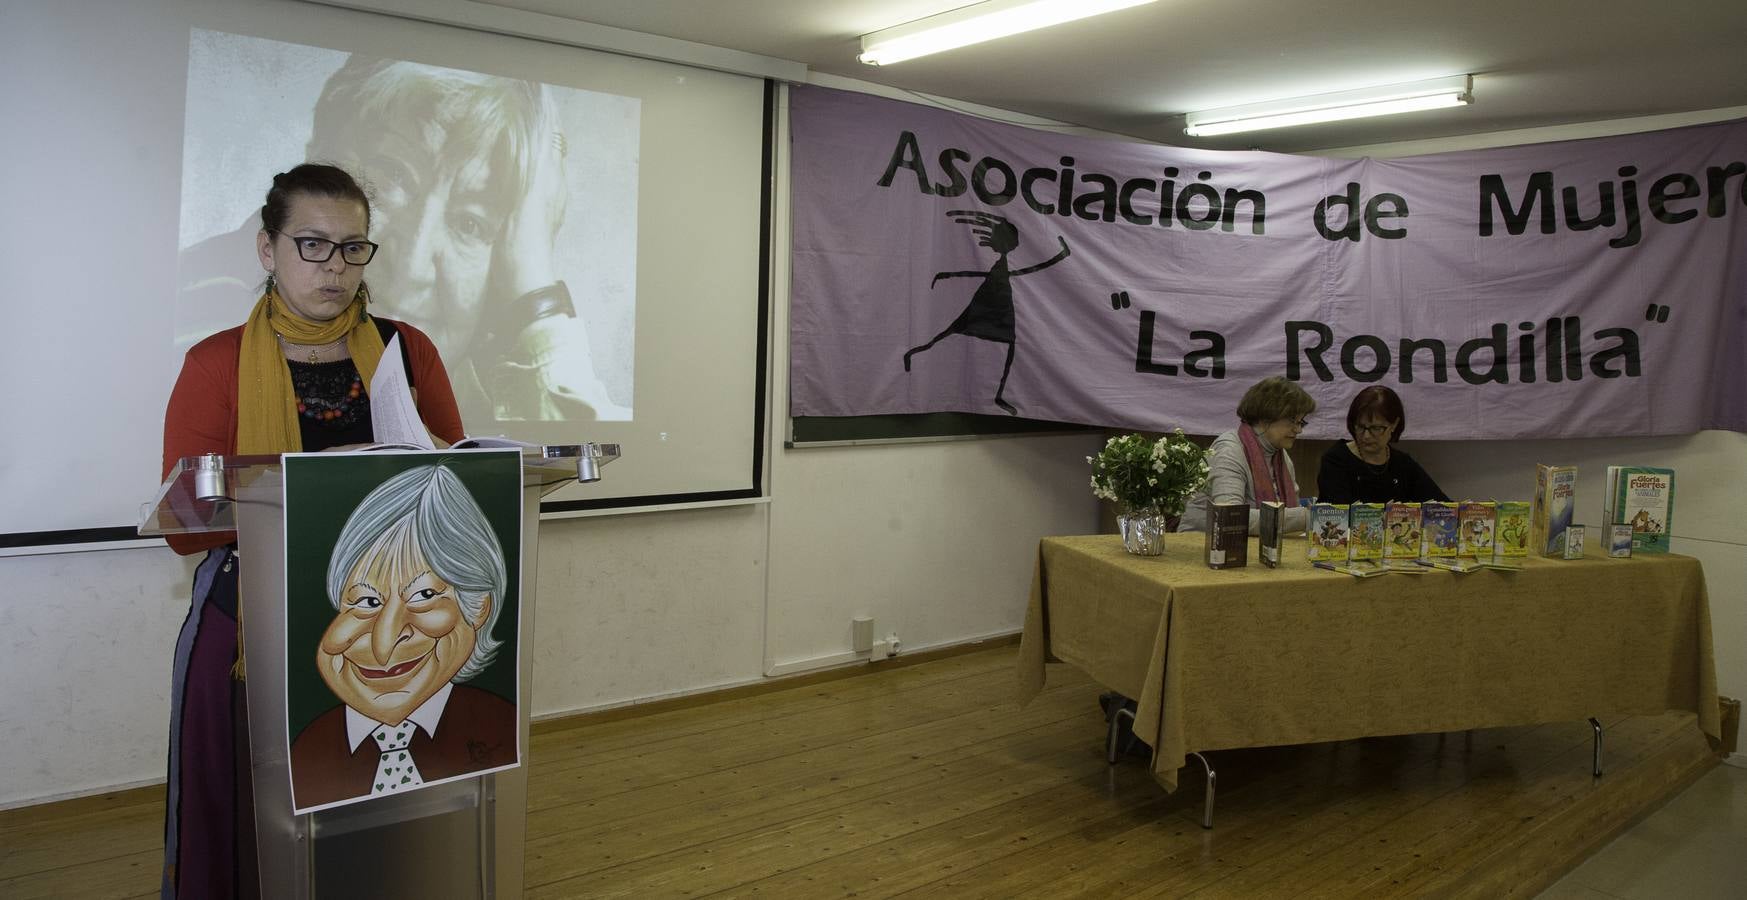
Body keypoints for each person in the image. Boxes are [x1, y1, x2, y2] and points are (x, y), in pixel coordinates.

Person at [159, 164, 464, 899]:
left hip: (390, 633)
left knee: (377, 827)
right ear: (268, 249)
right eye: (313, 245)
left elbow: (456, 479)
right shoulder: (217, 361)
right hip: (254, 623)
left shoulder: (406, 349)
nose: (335, 266)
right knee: (249, 818)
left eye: (353, 247)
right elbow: (186, 526)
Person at [176, 54, 627, 424]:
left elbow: (470, 501)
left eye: (470, 223)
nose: (410, 267)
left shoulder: (419, 352)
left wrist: (536, 288)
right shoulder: (201, 329)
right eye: (393, 178)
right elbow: (191, 530)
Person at [289, 464, 516, 811]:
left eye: (424, 596)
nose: (385, 642)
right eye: (366, 601)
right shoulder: (303, 749)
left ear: (478, 606)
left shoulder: (499, 726)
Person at [1177, 376, 1315, 534]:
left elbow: (1291, 520)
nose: (1299, 430)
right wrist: (1306, 517)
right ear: (1266, 417)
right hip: (1201, 546)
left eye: (1301, 422)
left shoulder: (1281, 456)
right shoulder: (1229, 451)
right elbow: (1230, 516)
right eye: (1293, 421)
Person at [1316, 385, 1449, 505]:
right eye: (1361, 427)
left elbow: (1442, 506)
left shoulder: (1403, 464)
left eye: (1376, 428)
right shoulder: (1335, 460)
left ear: (1394, 425)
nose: (1366, 436)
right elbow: (1336, 515)